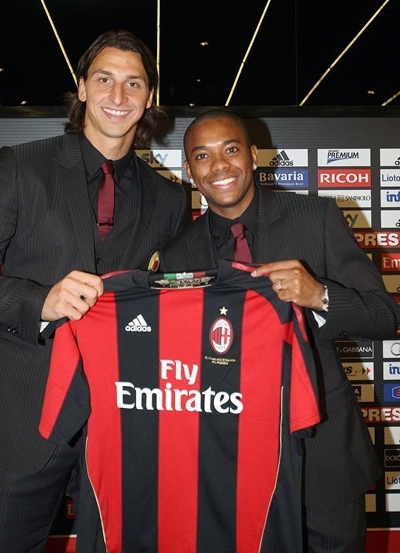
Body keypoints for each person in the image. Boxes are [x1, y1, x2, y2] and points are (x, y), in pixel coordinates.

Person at [0, 29, 187, 552]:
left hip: (125, 424)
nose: (118, 95)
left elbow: (179, 301)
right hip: (26, 416)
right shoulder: (23, 166)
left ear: (149, 98)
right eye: (105, 79)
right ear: (82, 88)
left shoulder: (169, 198)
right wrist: (39, 301)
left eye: (134, 83)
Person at [159, 109, 399, 552]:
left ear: (253, 155)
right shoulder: (177, 255)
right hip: (229, 467)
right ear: (190, 171)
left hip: (322, 456)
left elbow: (385, 317)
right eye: (203, 156)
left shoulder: (316, 217)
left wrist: (320, 295)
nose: (219, 166)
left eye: (231, 149)